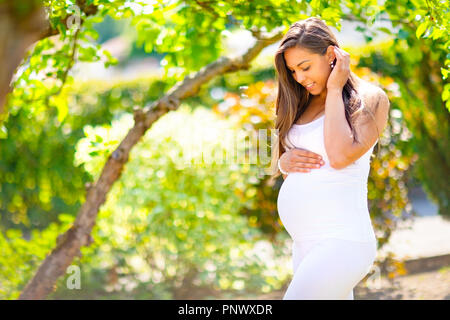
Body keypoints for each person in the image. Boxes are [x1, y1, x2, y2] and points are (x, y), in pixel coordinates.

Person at [270, 17, 390, 300]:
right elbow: (281, 159)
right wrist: (282, 163)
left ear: (331, 54)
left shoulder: (370, 99)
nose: (299, 78)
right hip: (304, 245)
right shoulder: (299, 101)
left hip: (342, 241)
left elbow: (338, 157)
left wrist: (335, 89)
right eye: (293, 71)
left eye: (305, 67)